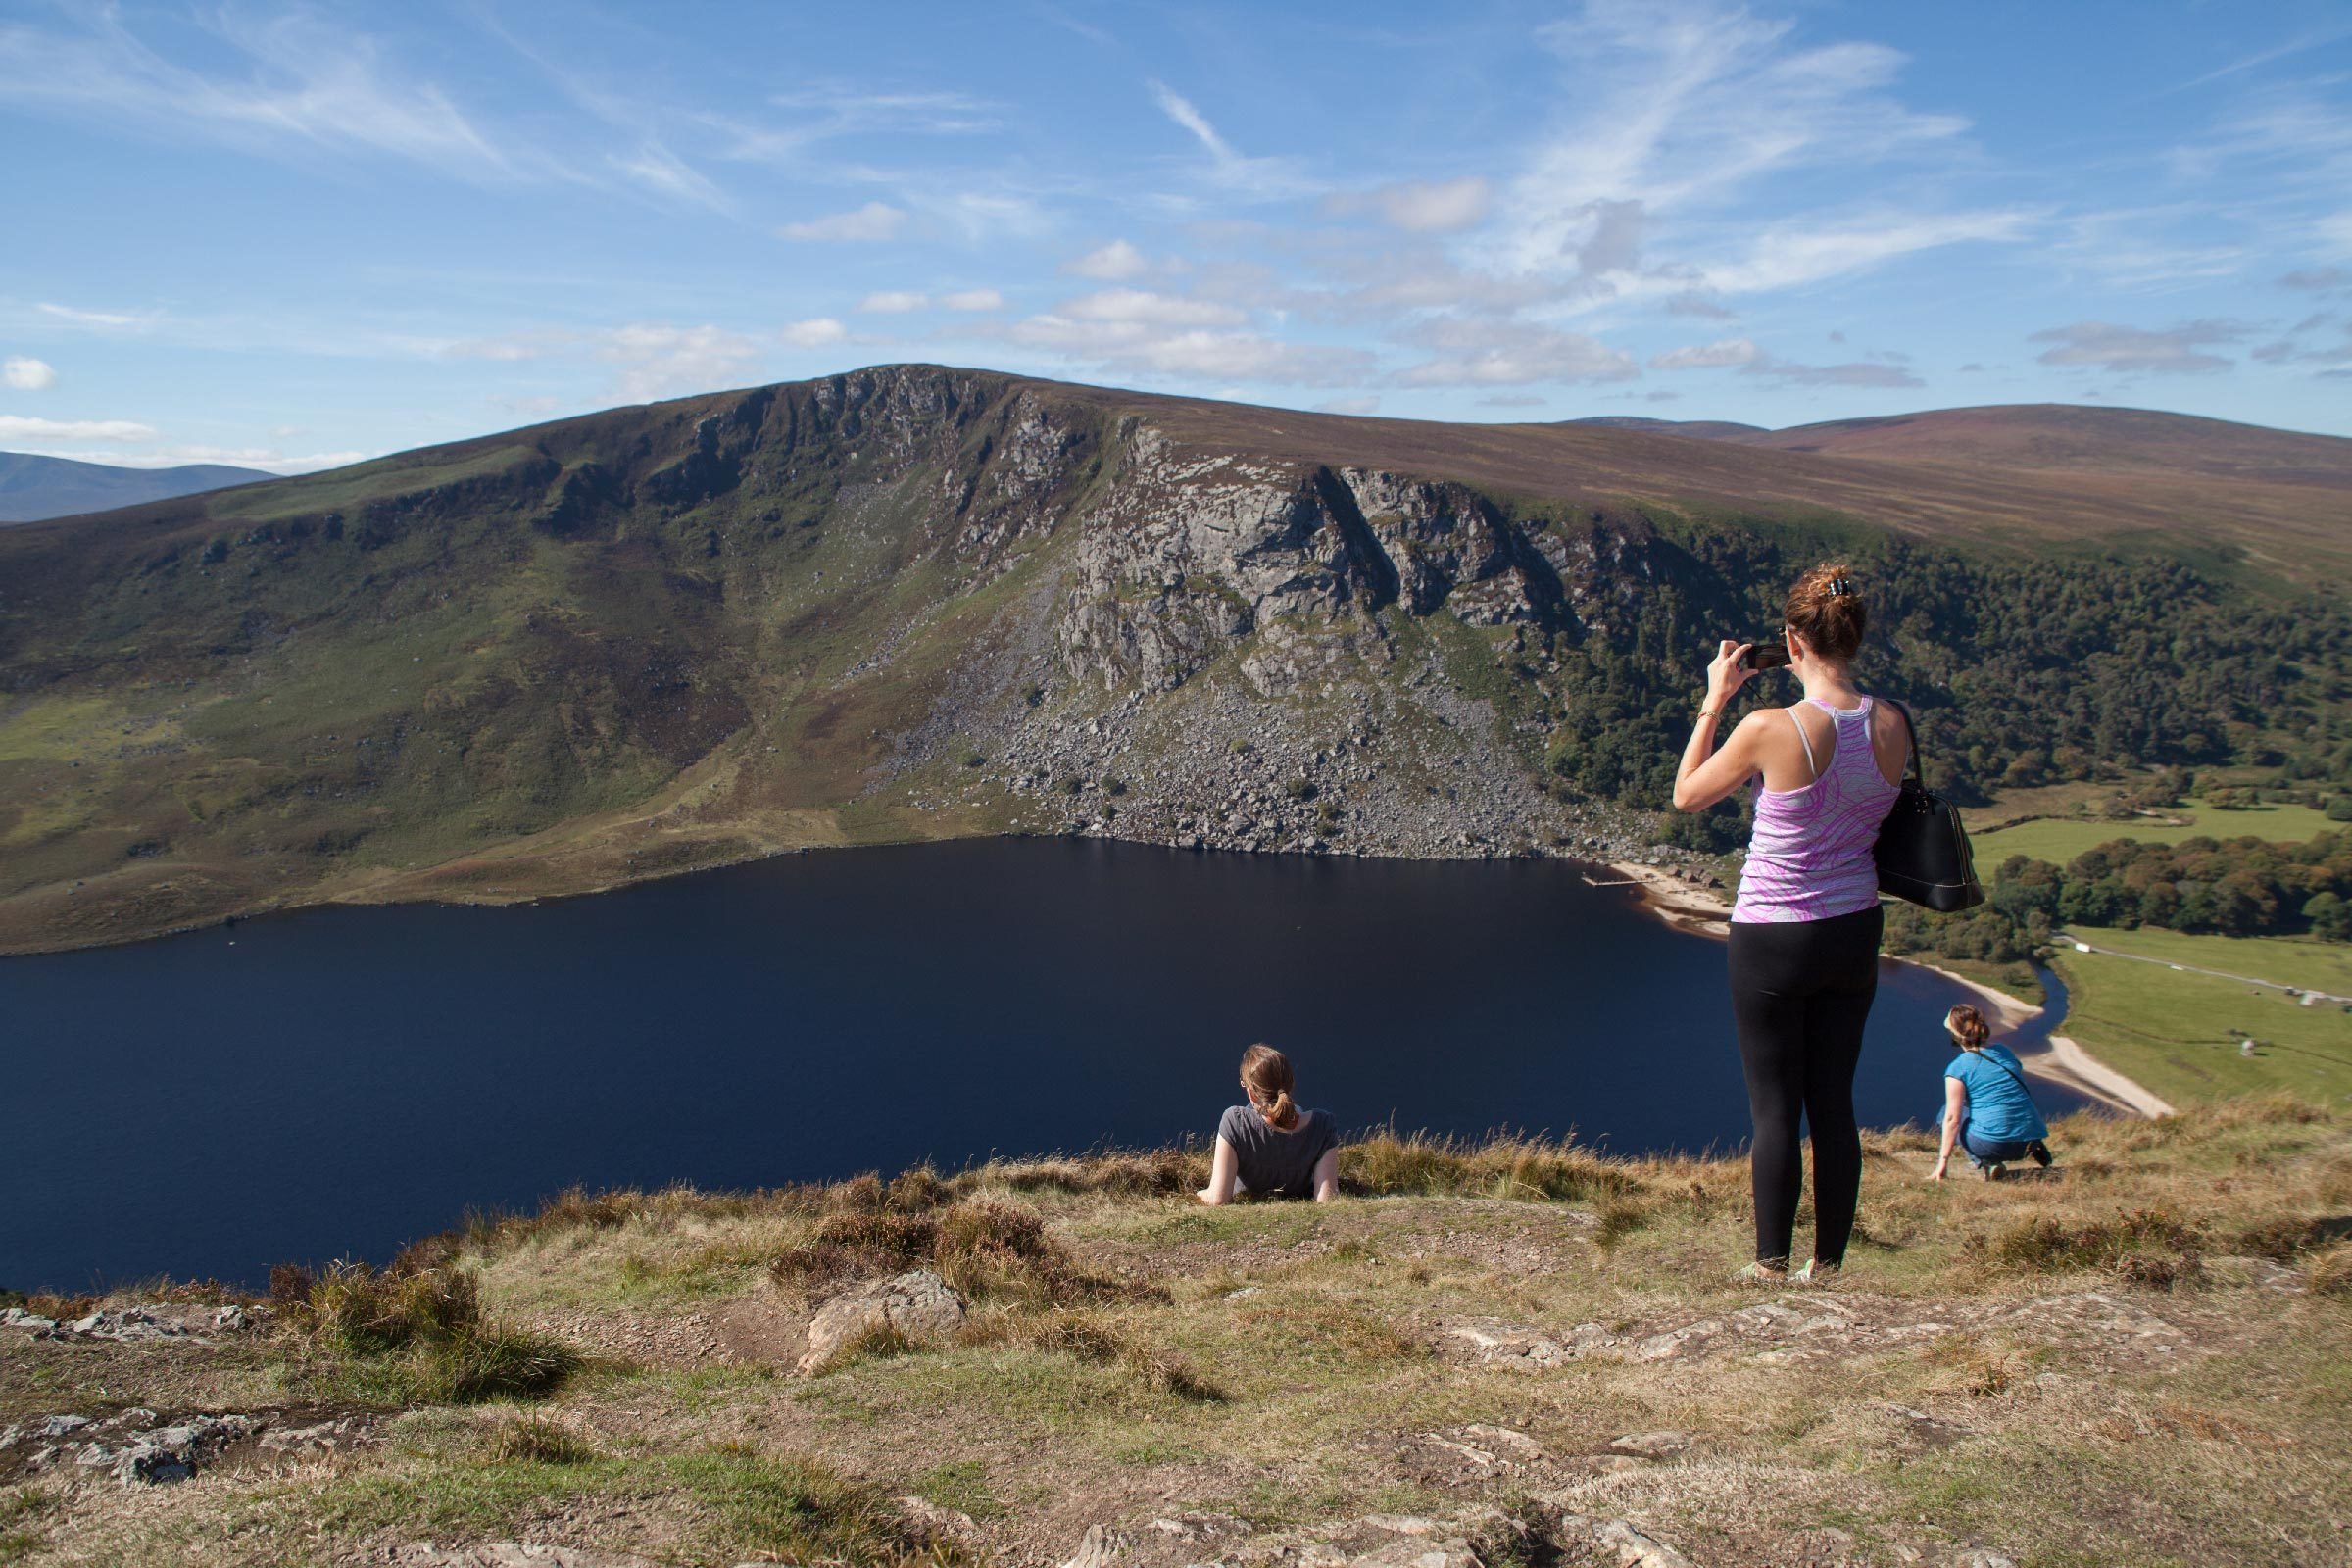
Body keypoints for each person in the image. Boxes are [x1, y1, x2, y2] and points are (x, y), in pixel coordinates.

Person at [1671, 562, 1908, 1283]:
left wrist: (1715, 701)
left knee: (1776, 1109)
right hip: (1854, 928)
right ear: (1853, 639)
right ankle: (1828, 1265)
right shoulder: (1893, 722)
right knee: (1833, 1103)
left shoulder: (1770, 728)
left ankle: (1770, 1265)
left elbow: (1687, 796)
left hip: (1775, 935)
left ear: (1792, 642)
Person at [1198, 1043, 1340, 1204]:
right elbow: (1327, 1199)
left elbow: (1218, 1199)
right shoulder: (1323, 1125)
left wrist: (1198, 1193)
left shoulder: (1235, 1121)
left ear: (1251, 1091)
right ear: (1290, 1083)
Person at [1929, 1004, 2052, 1181]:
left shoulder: (1958, 1068)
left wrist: (1942, 1163)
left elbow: (1952, 1120)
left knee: (1945, 1113)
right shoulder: (2004, 1051)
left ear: (1955, 1034)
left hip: (1995, 1145)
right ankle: (2033, 1147)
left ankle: (1986, 1163)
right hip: (2031, 1140)